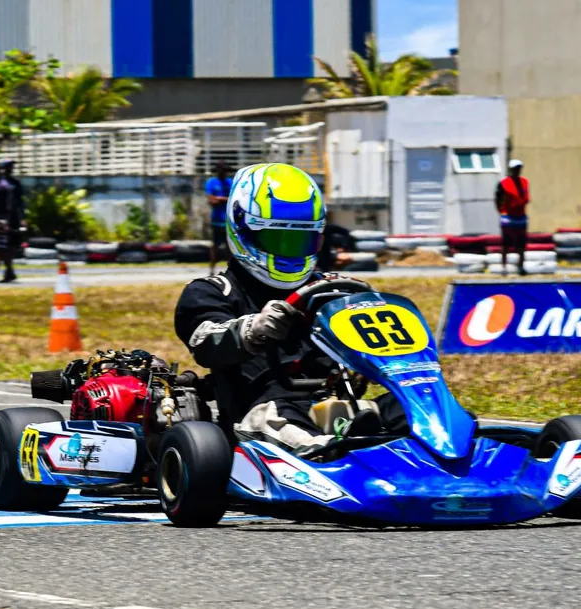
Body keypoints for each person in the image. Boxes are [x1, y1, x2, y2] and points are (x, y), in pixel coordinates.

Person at [174, 163, 407, 455]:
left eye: (300, 241)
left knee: (408, 406)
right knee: (278, 419)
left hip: (336, 408)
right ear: (243, 230)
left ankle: (454, 444)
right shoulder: (211, 291)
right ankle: (331, 454)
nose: (288, 251)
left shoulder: (334, 289)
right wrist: (252, 330)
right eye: (277, 239)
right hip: (261, 411)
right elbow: (206, 341)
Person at [0, 159, 26, 283]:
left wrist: (21, 218)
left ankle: (0, 272)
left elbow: (17, 203)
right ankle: (2, 271)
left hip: (9, 217)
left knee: (7, 246)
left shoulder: (12, 184)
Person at [495, 159, 531, 276]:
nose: (517, 171)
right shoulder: (504, 183)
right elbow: (498, 198)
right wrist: (501, 211)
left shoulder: (524, 182)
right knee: (506, 243)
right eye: (515, 169)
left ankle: (521, 267)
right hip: (508, 217)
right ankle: (504, 267)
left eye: (519, 168)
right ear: (511, 170)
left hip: (521, 216)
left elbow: (526, 197)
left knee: (521, 244)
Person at [204, 161, 232, 276]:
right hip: (217, 220)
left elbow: (233, 198)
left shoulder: (230, 182)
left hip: (228, 221)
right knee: (215, 246)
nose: (225, 173)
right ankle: (212, 269)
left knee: (229, 247)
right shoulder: (211, 182)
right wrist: (224, 199)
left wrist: (219, 199)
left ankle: (230, 269)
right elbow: (211, 200)